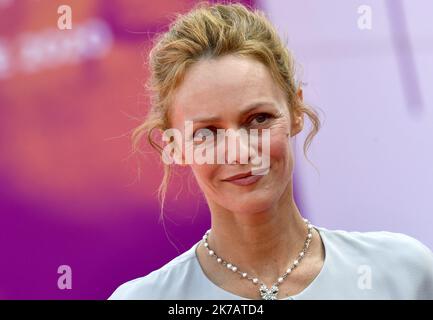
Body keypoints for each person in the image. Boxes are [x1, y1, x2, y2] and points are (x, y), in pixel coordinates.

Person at [108, 2, 433, 300]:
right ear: (175, 146)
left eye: (258, 119)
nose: (239, 152)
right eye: (207, 132)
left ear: (295, 110)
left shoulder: (403, 274)